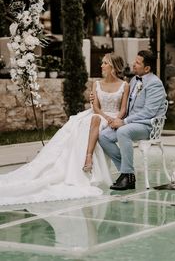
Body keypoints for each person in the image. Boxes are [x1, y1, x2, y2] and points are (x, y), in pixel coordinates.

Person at [0, 53, 129, 206]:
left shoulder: (124, 85)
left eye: (105, 63)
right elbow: (95, 107)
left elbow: (123, 109)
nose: (101, 65)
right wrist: (106, 117)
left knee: (90, 123)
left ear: (113, 66)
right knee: (81, 125)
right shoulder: (97, 84)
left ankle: (87, 158)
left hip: (114, 117)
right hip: (99, 115)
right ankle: (85, 158)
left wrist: (115, 119)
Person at [98, 50, 167, 191]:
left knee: (123, 132)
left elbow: (149, 112)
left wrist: (124, 122)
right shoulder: (135, 80)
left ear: (147, 68)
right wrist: (116, 118)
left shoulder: (155, 84)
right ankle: (127, 172)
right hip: (130, 123)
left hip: (147, 126)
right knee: (103, 136)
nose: (133, 65)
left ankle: (127, 177)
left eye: (137, 63)